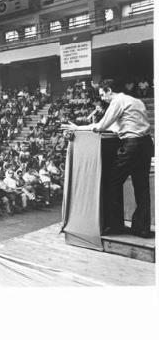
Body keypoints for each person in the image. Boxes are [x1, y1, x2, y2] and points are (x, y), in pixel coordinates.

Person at [64, 78, 153, 238]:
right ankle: (142, 228)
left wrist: (78, 128)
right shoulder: (136, 101)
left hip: (132, 145)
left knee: (112, 182)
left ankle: (114, 226)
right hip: (146, 144)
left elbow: (102, 126)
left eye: (102, 94)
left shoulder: (118, 101)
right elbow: (117, 126)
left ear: (109, 91)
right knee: (142, 187)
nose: (102, 98)